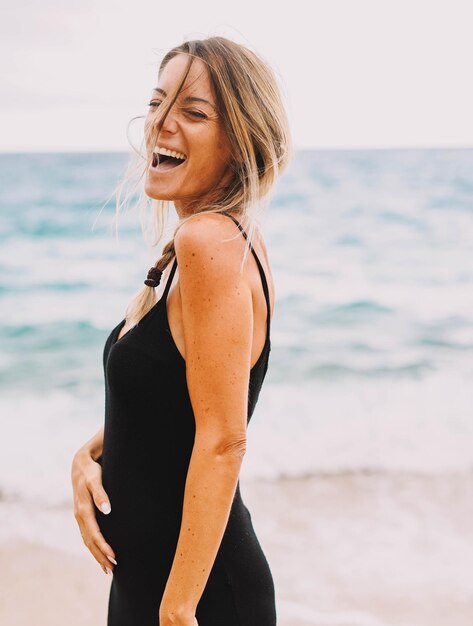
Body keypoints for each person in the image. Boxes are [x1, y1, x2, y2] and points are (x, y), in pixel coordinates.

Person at [70, 35, 292, 626]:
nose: (161, 126)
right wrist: (87, 455)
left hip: (193, 600)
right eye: (157, 105)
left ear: (240, 140)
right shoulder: (219, 237)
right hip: (159, 586)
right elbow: (174, 407)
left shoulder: (209, 242)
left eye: (193, 112)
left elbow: (225, 437)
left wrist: (176, 609)